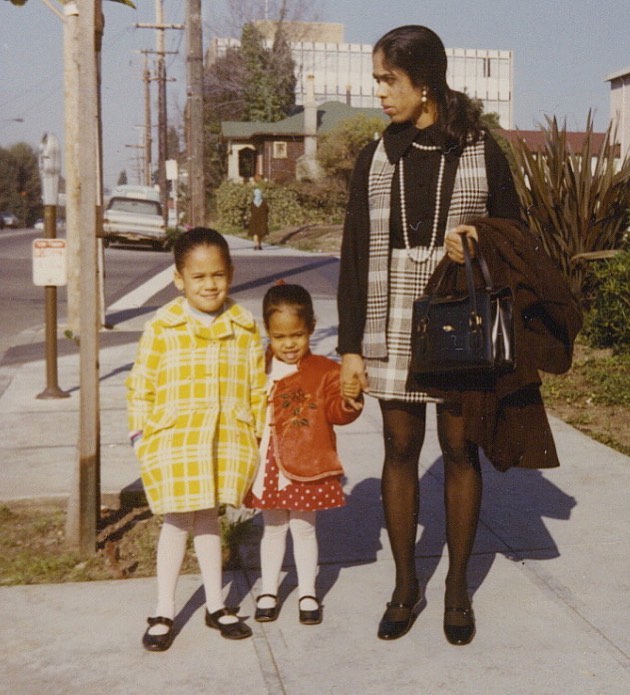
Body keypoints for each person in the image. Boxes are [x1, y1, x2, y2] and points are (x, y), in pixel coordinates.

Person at [337, 25, 524, 646]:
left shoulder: (480, 149)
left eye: (389, 81)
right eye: (378, 82)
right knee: (397, 448)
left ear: (425, 81)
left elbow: (516, 237)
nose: (381, 94)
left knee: (461, 449)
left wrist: (475, 240)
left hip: (457, 315)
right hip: (389, 315)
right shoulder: (376, 154)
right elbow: (354, 254)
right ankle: (404, 585)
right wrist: (348, 351)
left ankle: (456, 588)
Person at [126, 226, 266, 651]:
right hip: (175, 440)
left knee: (208, 519)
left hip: (224, 438)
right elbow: (141, 385)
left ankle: (215, 603)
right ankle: (164, 609)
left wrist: (257, 434)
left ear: (231, 273)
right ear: (179, 279)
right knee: (175, 521)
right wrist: (140, 435)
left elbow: (256, 385)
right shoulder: (162, 326)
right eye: (199, 277)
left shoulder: (244, 325)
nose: (210, 285)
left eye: (218, 275)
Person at [244, 283, 363, 625]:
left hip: (307, 463)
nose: (289, 344)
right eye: (280, 337)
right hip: (267, 462)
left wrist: (349, 398)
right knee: (273, 528)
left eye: (297, 334)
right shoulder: (258, 366)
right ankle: (269, 590)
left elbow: (337, 413)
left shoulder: (325, 370)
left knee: (304, 528)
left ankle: (308, 591)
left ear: (311, 327)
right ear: (268, 332)